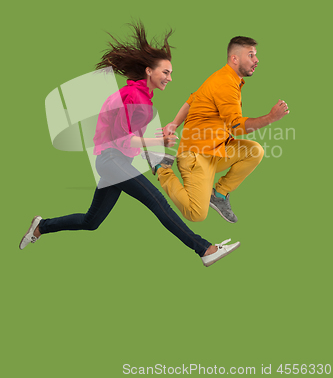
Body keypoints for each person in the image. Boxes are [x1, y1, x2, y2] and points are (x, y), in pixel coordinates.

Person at [19, 22, 241, 267]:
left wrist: (156, 151)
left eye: (171, 73)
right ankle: (205, 249)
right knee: (158, 203)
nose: (170, 78)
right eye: (165, 72)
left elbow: (128, 140)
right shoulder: (134, 96)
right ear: (148, 71)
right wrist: (160, 141)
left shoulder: (141, 97)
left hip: (115, 161)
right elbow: (122, 139)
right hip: (111, 160)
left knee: (91, 221)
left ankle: (41, 227)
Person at [142, 36, 289, 223]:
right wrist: (270, 118)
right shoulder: (225, 83)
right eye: (251, 55)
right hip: (196, 155)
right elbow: (237, 126)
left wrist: (173, 123)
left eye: (255, 55)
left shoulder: (224, 77)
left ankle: (218, 196)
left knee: (254, 151)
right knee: (196, 214)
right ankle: (161, 166)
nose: (256, 60)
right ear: (234, 59)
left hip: (216, 150)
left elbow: (192, 99)